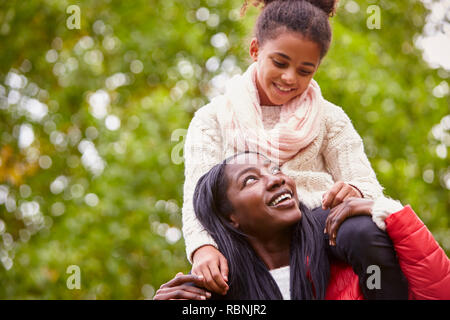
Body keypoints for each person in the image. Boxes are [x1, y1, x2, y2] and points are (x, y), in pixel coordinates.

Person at [182, 0, 385, 295]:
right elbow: (197, 197)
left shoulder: (330, 118)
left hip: (317, 226)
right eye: (279, 63)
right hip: (249, 238)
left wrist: (355, 191)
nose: (290, 77)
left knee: (366, 233)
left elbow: (369, 187)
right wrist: (202, 248)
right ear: (255, 50)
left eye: (305, 71)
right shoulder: (211, 119)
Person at [155, 152, 450, 300]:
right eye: (250, 179)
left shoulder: (351, 246)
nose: (276, 178)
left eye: (275, 169)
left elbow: (440, 292)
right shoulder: (216, 291)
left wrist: (388, 212)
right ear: (231, 217)